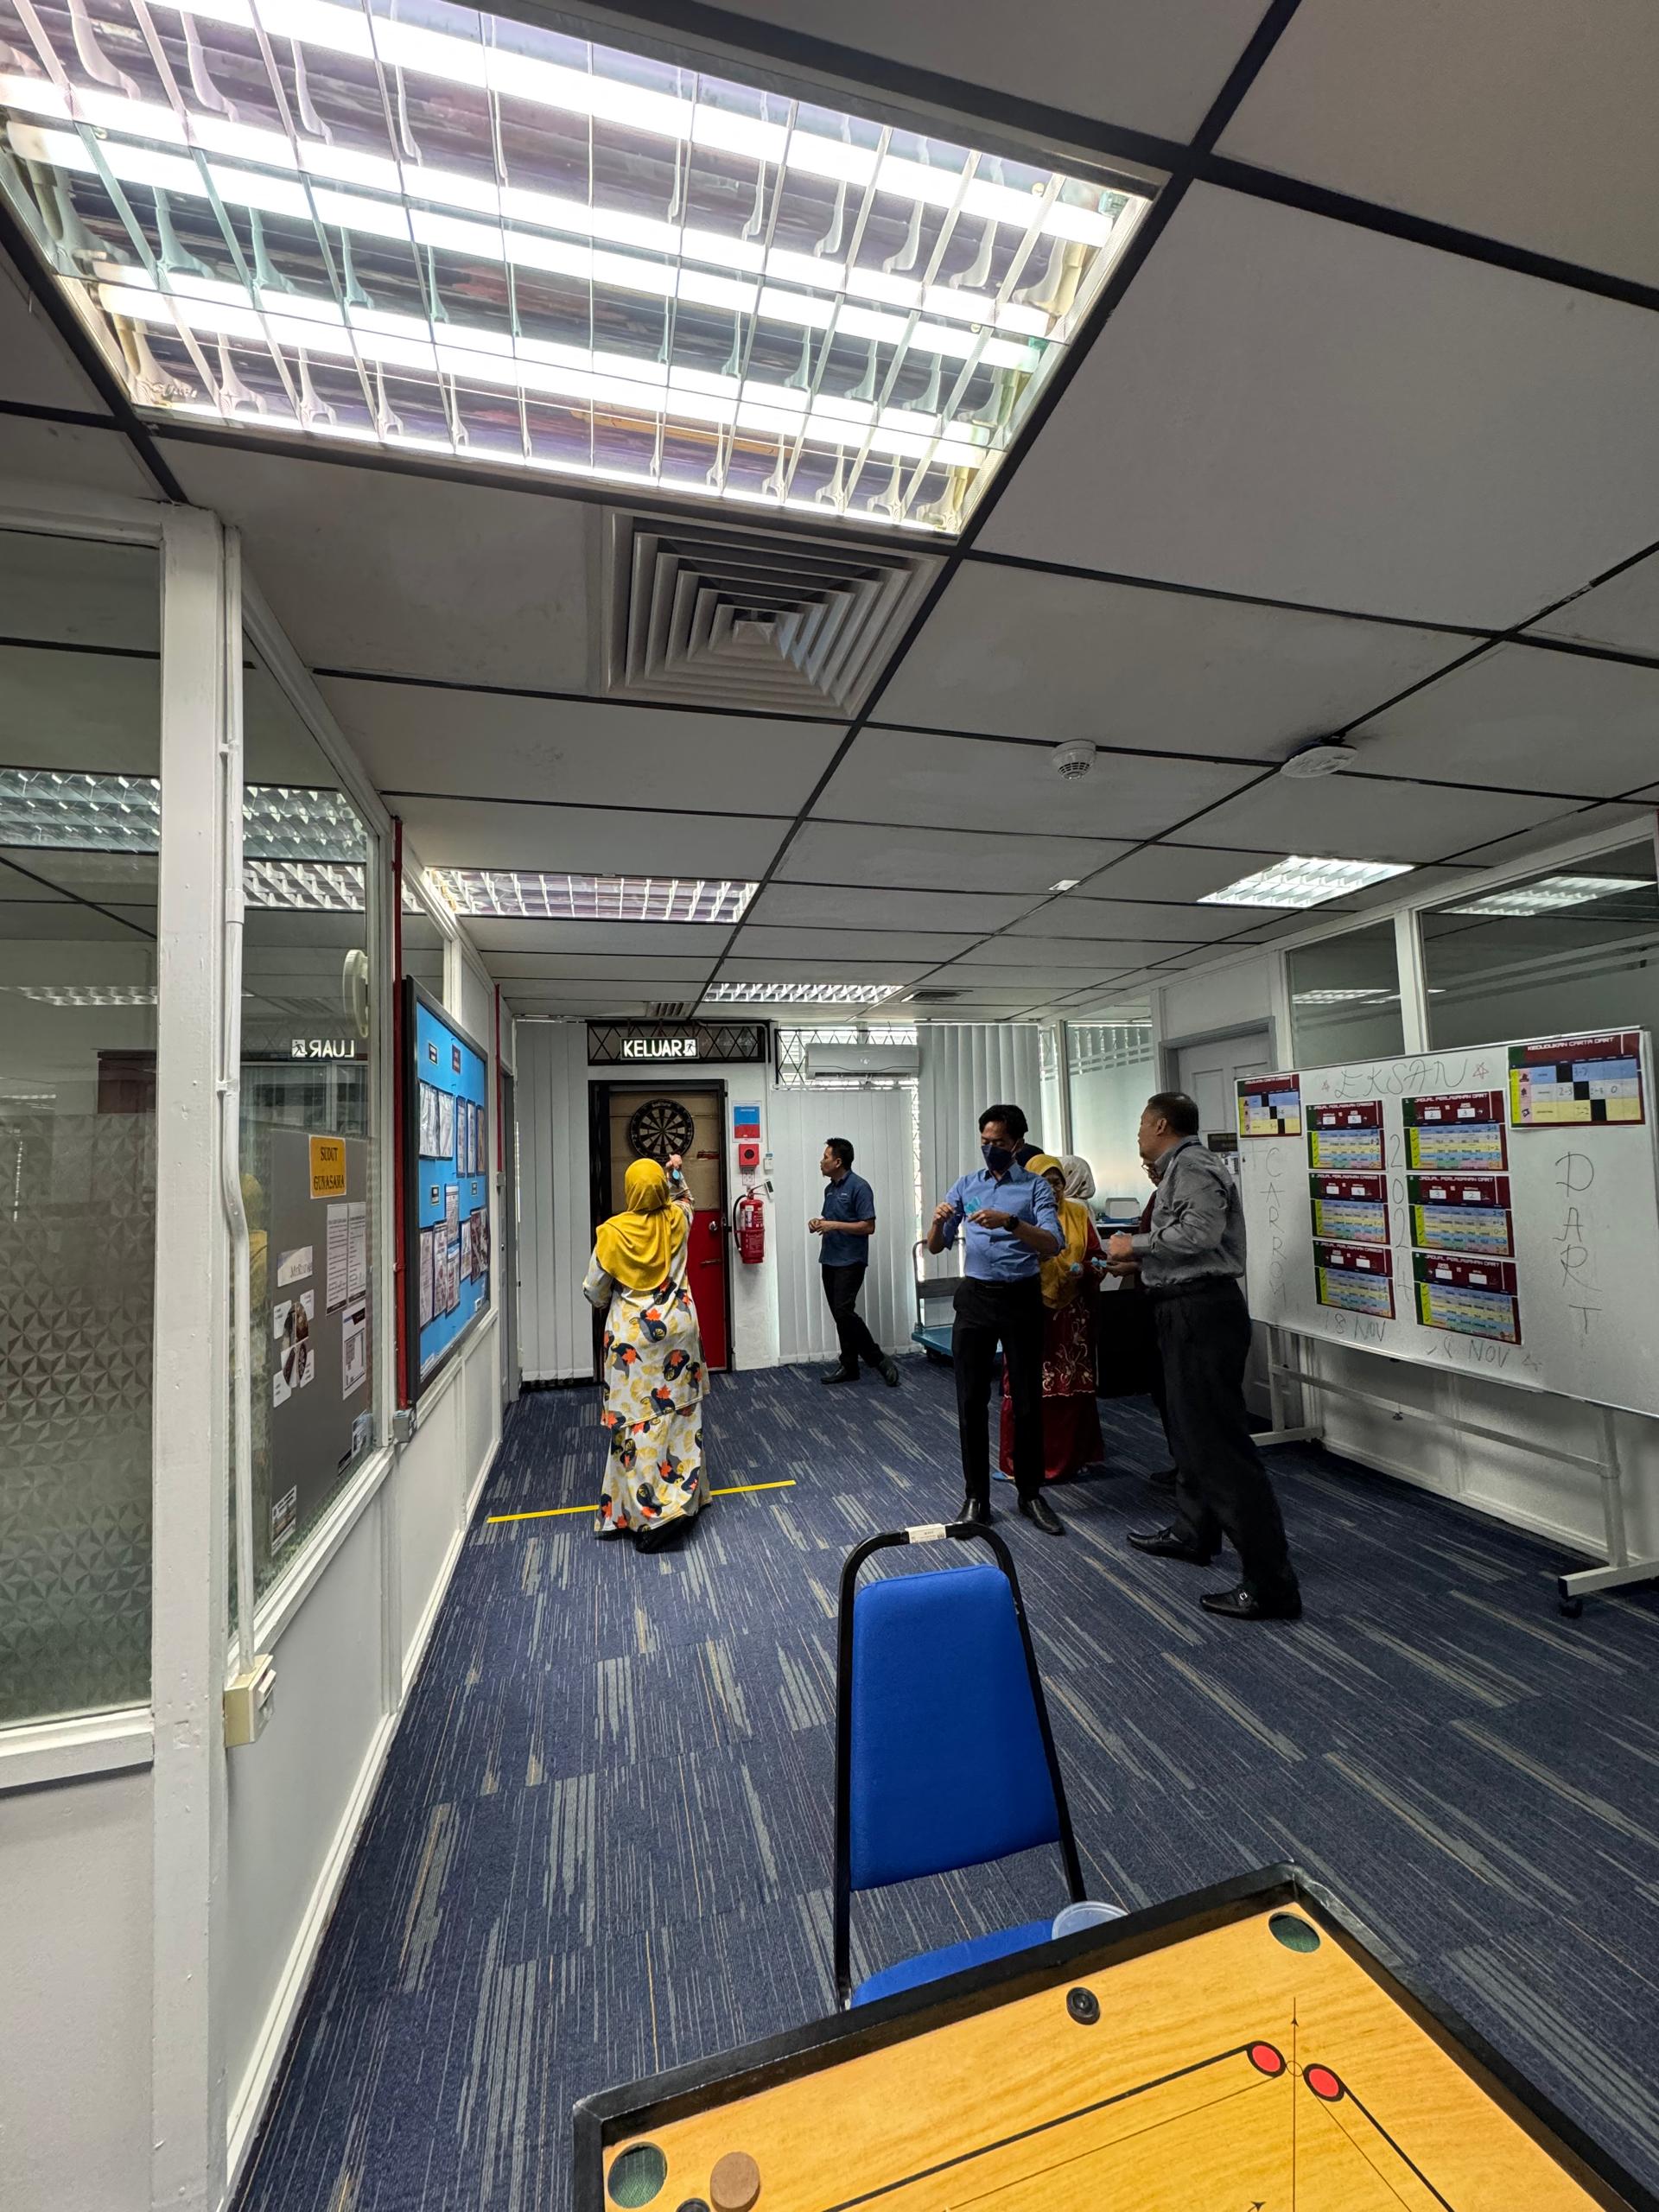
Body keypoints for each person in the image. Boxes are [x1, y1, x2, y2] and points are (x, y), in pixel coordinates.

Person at [1108, 1094, 1301, 1621]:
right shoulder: (1178, 1167)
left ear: (1161, 1124)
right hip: (1183, 1306)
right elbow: (1194, 1246)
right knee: (1190, 1434)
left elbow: (1200, 1233)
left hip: (1202, 1313)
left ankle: (1271, 1584)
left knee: (1220, 1447)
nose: (1138, 1133)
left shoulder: (1192, 1165)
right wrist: (1143, 1267)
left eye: (1142, 1123)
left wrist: (1135, 1247)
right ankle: (1194, 1532)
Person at [927, 1104, 1065, 1536]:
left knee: (1026, 1401)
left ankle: (1030, 1493)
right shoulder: (967, 1185)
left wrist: (1011, 1222)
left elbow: (1053, 1243)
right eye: (985, 1142)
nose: (990, 1149)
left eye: (999, 1143)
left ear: (1017, 1144)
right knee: (970, 1401)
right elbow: (936, 1247)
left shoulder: (1035, 1187)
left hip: (1021, 1297)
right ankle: (976, 1498)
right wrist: (937, 1222)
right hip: (975, 1298)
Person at [584, 1154, 707, 1552]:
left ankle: (650, 1515)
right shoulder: (678, 1220)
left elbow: (595, 1291)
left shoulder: (612, 1233)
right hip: (679, 1335)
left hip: (632, 1341)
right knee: (681, 1420)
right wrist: (674, 1173)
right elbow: (686, 1197)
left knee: (636, 1427)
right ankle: (681, 1499)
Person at [998, 1154, 1105, 1484]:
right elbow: (1000, 1260)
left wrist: (1084, 1269)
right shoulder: (1018, 1217)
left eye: (1058, 1183)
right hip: (1030, 1309)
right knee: (1028, 1386)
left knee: (1071, 1386)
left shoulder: (1078, 1214)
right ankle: (1022, 1462)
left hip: (1070, 1314)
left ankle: (1073, 1459)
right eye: (1045, 1184)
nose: (1053, 1190)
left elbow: (1098, 1259)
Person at [810, 1138, 899, 1388]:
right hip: (830, 1257)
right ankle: (850, 1366)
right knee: (840, 1316)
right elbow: (831, 1219)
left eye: (825, 1157)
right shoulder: (829, 1190)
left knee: (843, 1311)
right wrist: (818, 1223)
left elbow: (868, 1226)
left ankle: (877, 1358)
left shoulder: (860, 1187)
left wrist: (834, 1225)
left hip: (851, 1260)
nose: (821, 1161)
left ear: (838, 1161)